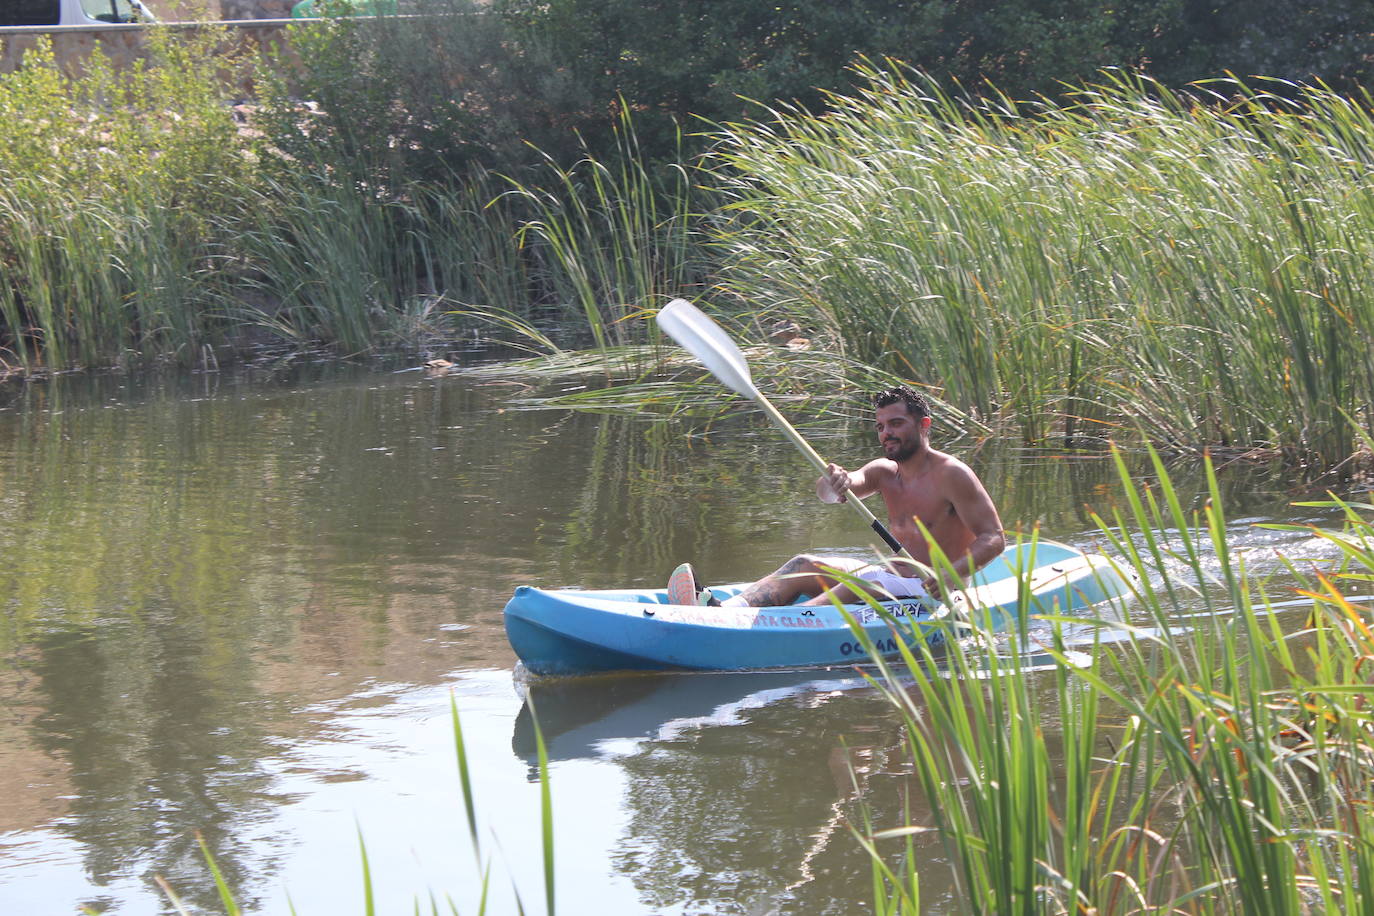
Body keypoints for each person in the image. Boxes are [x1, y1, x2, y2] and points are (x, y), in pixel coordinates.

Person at [667, 386, 1005, 608]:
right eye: (881, 426)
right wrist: (835, 483)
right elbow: (830, 493)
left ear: (923, 425)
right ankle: (725, 610)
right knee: (804, 563)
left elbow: (994, 538)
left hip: (937, 591)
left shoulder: (952, 474)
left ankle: (774, 625)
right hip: (891, 575)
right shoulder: (884, 472)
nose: (887, 433)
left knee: (866, 580)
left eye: (896, 423)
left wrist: (949, 574)